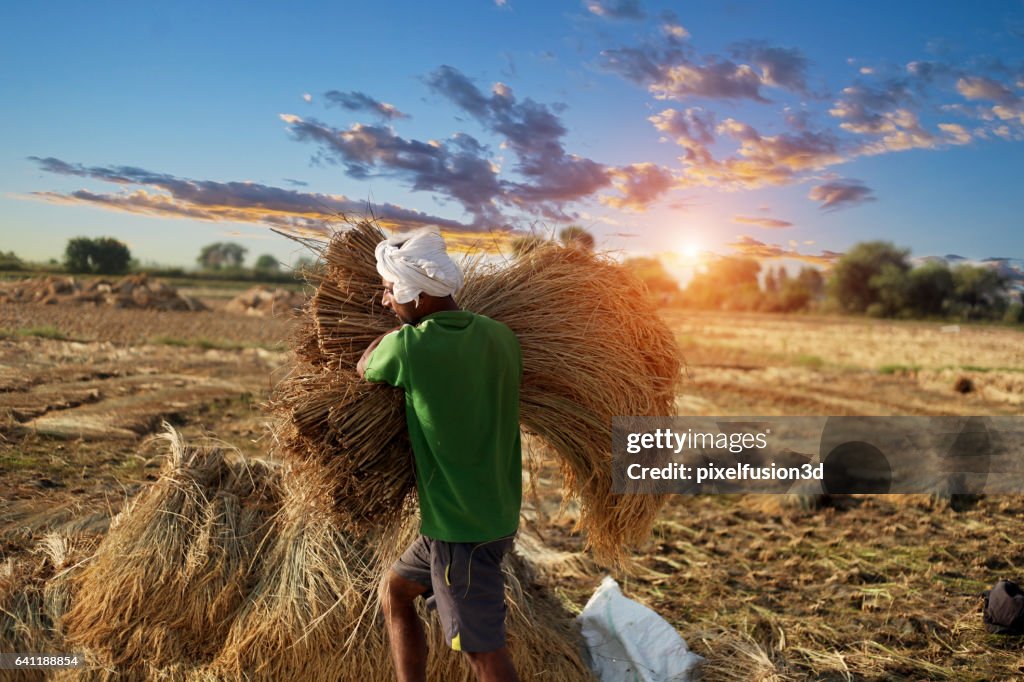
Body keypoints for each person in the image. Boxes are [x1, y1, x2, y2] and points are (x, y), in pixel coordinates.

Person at [357, 229, 522, 682]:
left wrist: (389, 338)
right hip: (491, 513)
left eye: (390, 290)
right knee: (395, 591)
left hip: (460, 531)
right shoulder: (502, 337)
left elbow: (362, 366)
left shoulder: (410, 347)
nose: (385, 299)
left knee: (483, 654)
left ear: (419, 295)